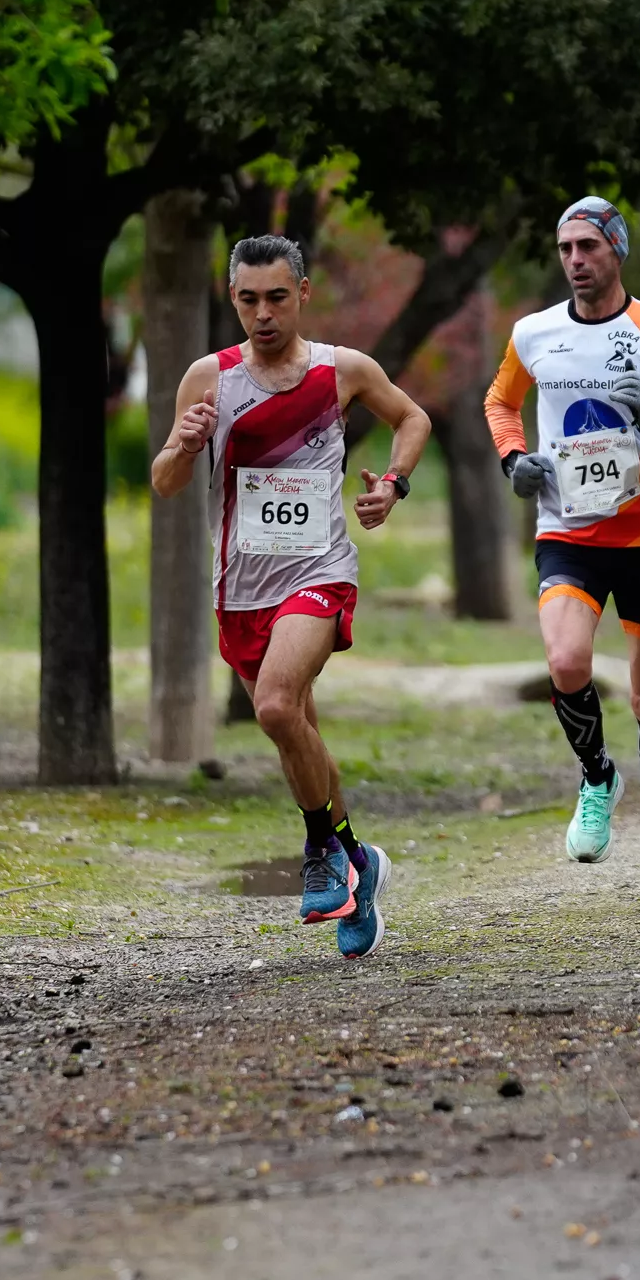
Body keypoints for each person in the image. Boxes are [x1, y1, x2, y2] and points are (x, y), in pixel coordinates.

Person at [152, 235, 432, 959]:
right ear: (233, 298)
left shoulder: (343, 371)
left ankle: (318, 853)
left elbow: (413, 418)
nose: (263, 313)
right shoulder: (208, 380)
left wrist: (393, 485)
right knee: (296, 730)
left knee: (273, 705)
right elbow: (164, 482)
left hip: (319, 574)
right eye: (248, 299)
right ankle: (357, 864)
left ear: (302, 294)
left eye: (277, 297)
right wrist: (184, 443)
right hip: (241, 588)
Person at [486, 197, 640, 906]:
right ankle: (596, 776)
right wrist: (513, 459)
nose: (576, 261)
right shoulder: (534, 334)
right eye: (565, 250)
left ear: (616, 249)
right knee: (565, 661)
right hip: (567, 533)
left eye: (588, 246)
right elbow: (500, 402)